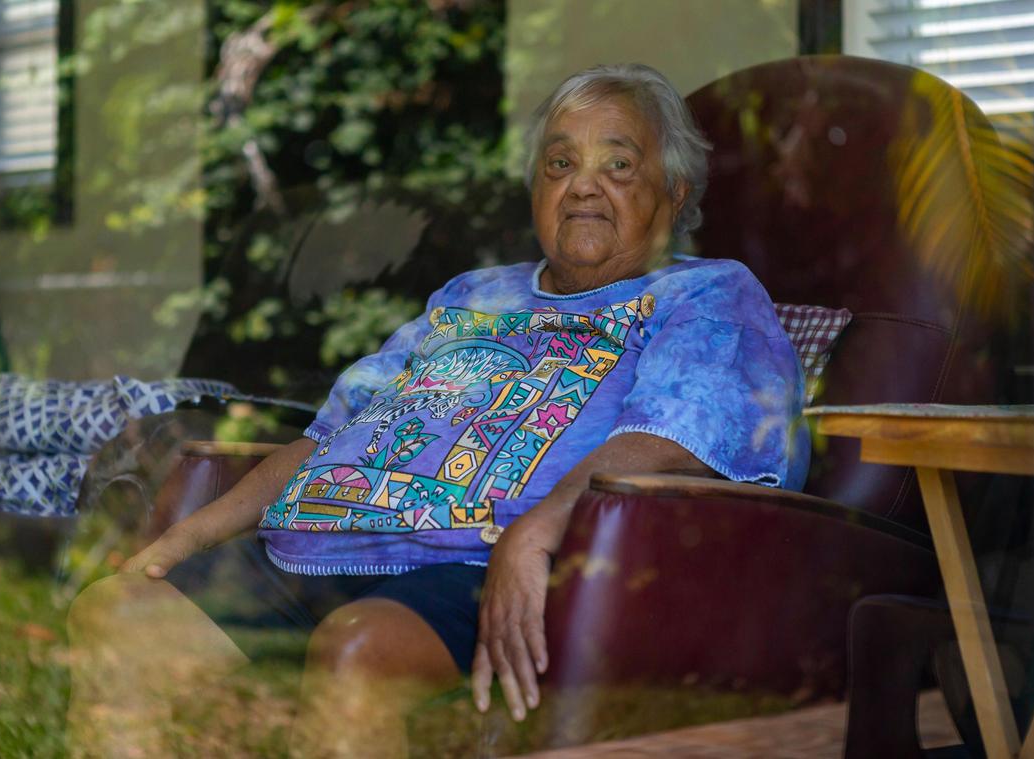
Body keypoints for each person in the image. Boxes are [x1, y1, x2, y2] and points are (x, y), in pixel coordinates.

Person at [66, 62, 809, 757]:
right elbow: (330, 437)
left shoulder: (706, 294)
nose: (584, 186)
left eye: (619, 164)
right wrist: (183, 540)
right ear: (535, 190)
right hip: (321, 540)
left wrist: (534, 528)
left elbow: (675, 433)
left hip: (476, 564)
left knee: (359, 650)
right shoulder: (468, 296)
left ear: (674, 194)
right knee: (118, 612)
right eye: (560, 163)